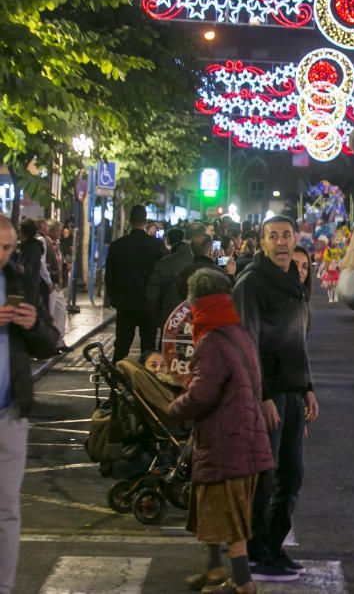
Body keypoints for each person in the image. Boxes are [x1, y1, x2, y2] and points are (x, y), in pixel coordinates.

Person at [169, 269, 275, 594]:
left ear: (196, 302)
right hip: (245, 438)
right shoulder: (238, 333)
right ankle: (215, 570)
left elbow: (202, 394)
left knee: (230, 517)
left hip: (226, 442)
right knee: (213, 510)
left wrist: (172, 410)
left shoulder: (212, 340)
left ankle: (243, 583)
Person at [232, 216, 318, 581]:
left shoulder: (294, 283)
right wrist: (262, 395)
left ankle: (273, 544)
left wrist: (309, 386)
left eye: (287, 235)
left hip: (294, 392)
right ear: (262, 242)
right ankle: (256, 551)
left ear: (295, 239)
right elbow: (246, 343)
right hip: (270, 394)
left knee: (292, 475)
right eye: (274, 236)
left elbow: (297, 342)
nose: (282, 242)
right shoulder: (252, 283)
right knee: (266, 477)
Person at [0, 214, 60, 594]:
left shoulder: (20, 279)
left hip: (9, 412)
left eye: (6, 248)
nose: (2, 255)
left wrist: (32, 324)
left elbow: (50, 343)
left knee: (6, 510)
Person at [104, 205, 167, 362]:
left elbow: (109, 275)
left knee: (122, 346)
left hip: (125, 304)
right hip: (148, 305)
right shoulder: (156, 246)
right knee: (148, 348)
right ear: (145, 221)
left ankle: (116, 379)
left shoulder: (117, 246)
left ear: (130, 221)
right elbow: (162, 276)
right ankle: (146, 383)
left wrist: (113, 297)